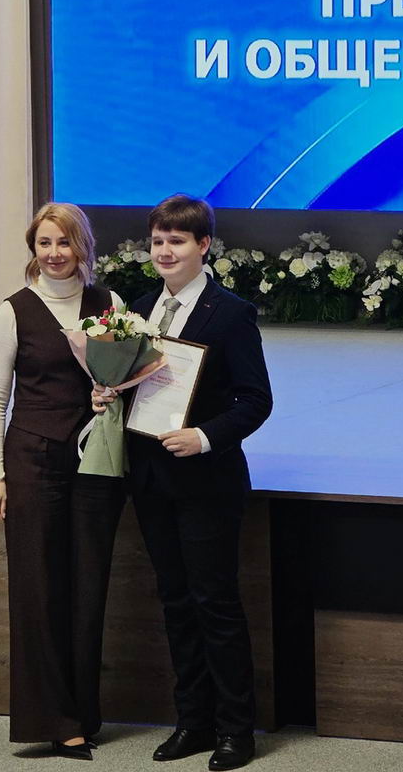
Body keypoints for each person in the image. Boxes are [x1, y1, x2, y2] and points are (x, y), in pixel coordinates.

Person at [92, 195, 272, 771]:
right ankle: (192, 721)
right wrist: (106, 393)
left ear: (203, 246)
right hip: (150, 477)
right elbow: (135, 386)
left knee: (214, 603)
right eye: (157, 241)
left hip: (206, 480)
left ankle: (236, 729)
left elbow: (255, 400)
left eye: (177, 241)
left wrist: (205, 436)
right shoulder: (140, 309)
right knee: (174, 601)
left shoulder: (231, 313)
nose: (165, 251)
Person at [0, 202, 125, 760]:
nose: (54, 253)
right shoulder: (13, 312)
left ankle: (84, 715)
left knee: (89, 587)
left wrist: (110, 393)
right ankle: (53, 720)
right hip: (33, 459)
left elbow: (129, 379)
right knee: (38, 589)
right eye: (44, 243)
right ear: (33, 249)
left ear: (82, 246)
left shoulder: (109, 305)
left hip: (94, 459)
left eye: (64, 242)